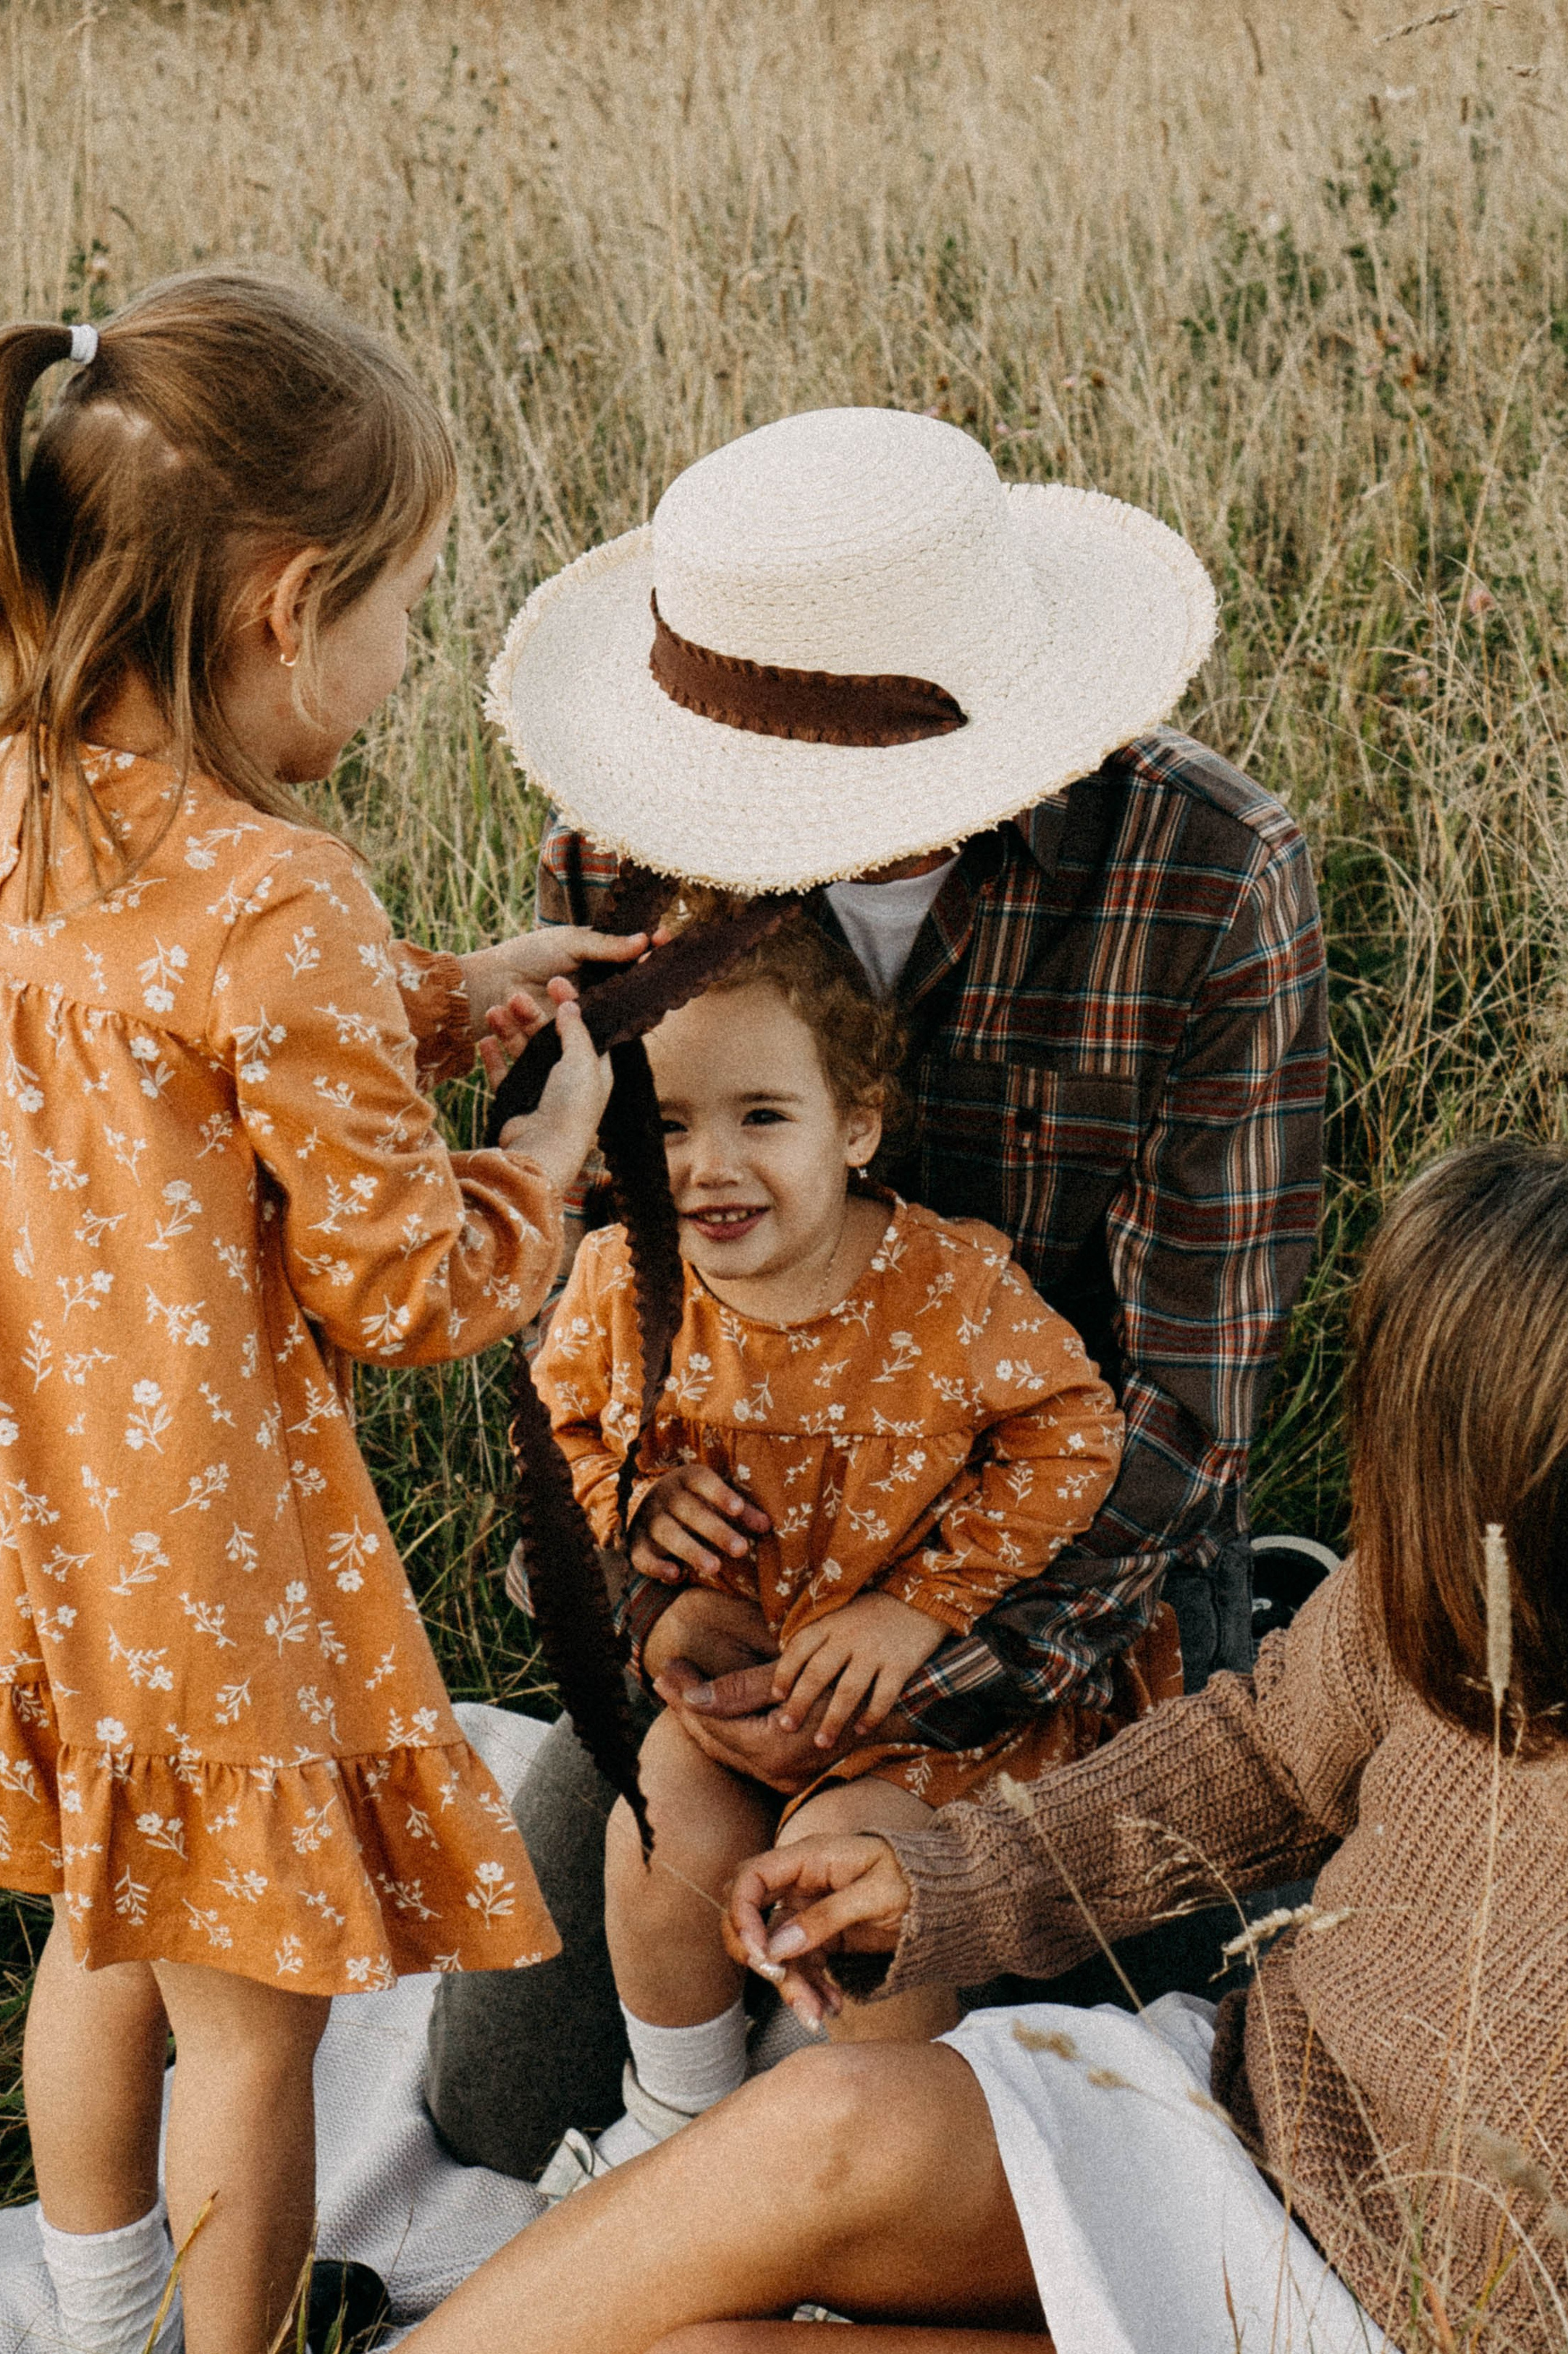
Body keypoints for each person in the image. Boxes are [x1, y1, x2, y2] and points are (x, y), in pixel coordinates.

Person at [188, 1139, 1568, 2354]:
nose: (1377, 1537)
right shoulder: (1450, 1615)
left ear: (1563, 1549)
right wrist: (948, 1882)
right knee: (822, 2122)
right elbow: (1250, 1753)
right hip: (1244, 2117)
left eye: (1412, 1492)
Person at [426, 400, 1329, 2174]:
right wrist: (639, 1570)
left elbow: (1184, 1409)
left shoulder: (1205, 875)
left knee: (908, 2079)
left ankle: (1273, 1661)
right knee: (500, 2101)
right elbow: (582, 1312)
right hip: (752, 1598)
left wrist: (946, 1659)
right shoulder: (618, 860)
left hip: (1057, 1606)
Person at [0, 272, 638, 2354]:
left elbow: (145, 1087)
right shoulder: (282, 896)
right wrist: (535, 1153)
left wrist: (438, 1000)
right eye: (410, 609)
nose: (413, 659)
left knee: (102, 1946)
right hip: (214, 1560)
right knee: (260, 2029)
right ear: (287, 600)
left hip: (30, 1529)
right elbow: (401, 1292)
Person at [529, 910, 1174, 2163]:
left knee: (847, 1874)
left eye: (763, 1118)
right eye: (666, 1127)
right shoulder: (620, 1282)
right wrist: (633, 1509)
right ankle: (678, 2122)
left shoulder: (945, 1291)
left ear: (857, 1127)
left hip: (919, 1711)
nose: (709, 1167)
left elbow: (1073, 1437)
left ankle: (886, 2161)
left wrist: (926, 1605)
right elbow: (558, 1435)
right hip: (740, 1678)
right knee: (656, 1824)